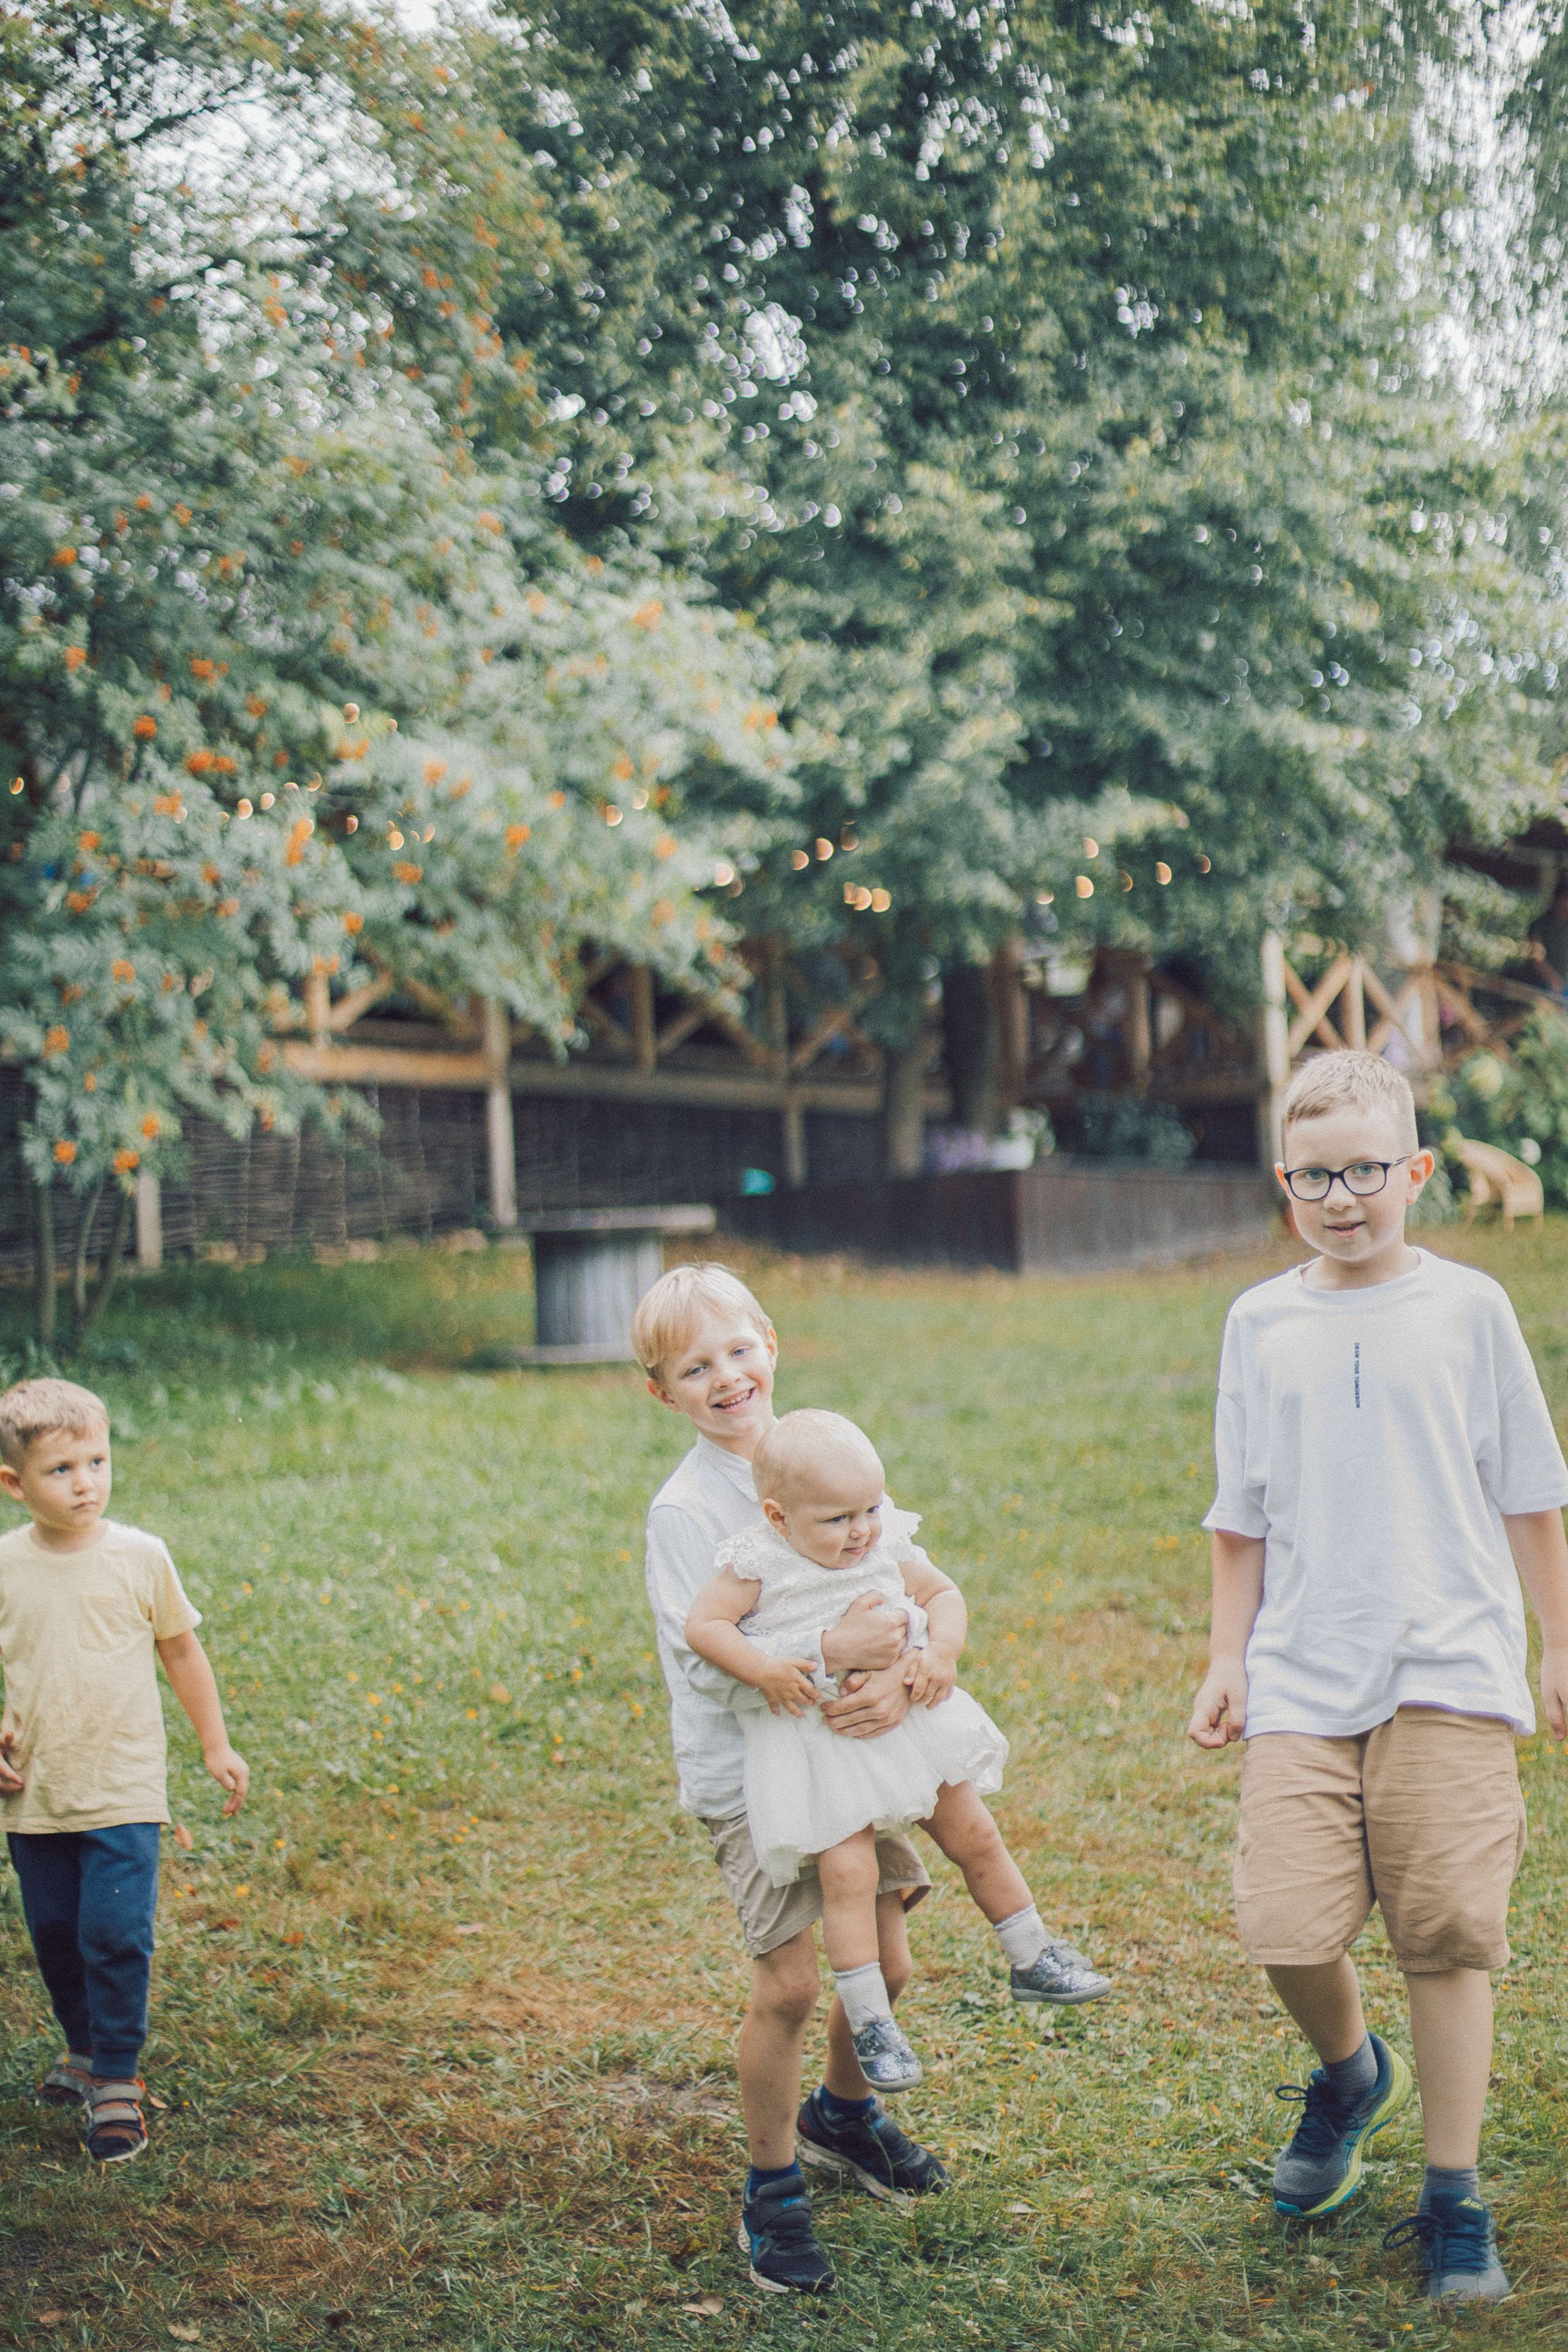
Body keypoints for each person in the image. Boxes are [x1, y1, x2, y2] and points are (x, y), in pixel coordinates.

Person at [1187, 1050, 1568, 2306]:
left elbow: (1530, 1490)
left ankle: (1451, 2198)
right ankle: (1348, 2074)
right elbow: (1236, 1515)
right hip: (1300, 1670)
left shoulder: (1463, 1311)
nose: (1339, 1196)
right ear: (1282, 1182)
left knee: (1445, 1937)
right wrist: (1224, 1656)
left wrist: (1555, 1639)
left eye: (1363, 1170)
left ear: (1410, 1170)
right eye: (1312, 1175)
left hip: (1446, 1662)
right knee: (1284, 1926)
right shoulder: (1259, 1322)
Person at [685, 1408, 1108, 2099]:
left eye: (869, 1509)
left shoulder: (885, 1544)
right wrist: (764, 1669)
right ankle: (871, 2019)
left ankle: (1031, 1953)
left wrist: (941, 1649)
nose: (860, 1531)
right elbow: (703, 1627)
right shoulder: (757, 1559)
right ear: (778, 1515)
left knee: (974, 1831)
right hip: (825, 1746)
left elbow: (943, 1593)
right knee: (849, 1875)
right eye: (837, 1519)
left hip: (906, 1724)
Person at [0, 1377, 249, 2163]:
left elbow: (181, 1648)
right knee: (56, 1935)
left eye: (98, 1461)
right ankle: (80, 2050)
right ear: (13, 1484)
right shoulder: (5, 1565)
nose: (87, 1483)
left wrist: (216, 1745)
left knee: (113, 1933)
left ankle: (117, 2078)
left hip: (123, 1784)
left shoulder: (141, 1558)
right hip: (37, 1790)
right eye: (62, 1470)